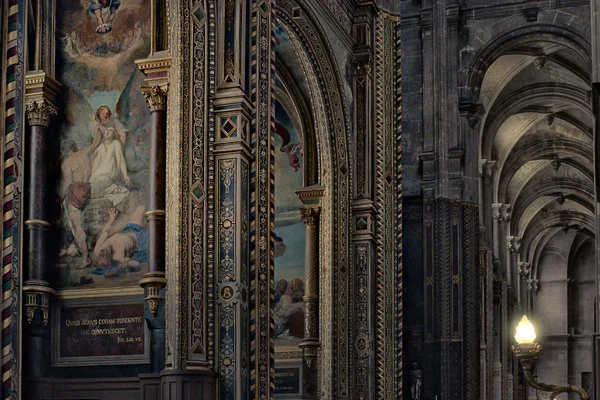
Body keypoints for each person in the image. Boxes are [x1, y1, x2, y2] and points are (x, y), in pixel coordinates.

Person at [60, 131, 102, 269]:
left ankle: (85, 258)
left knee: (77, 227)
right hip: (87, 189)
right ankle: (84, 252)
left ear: (65, 151)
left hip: (75, 191)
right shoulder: (84, 153)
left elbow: (67, 183)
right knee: (80, 225)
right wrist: (98, 130)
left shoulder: (67, 163)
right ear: (74, 147)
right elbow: (96, 143)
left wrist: (61, 198)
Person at [92, 206, 148, 277]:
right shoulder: (118, 256)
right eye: (104, 257)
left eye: (100, 256)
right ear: (109, 262)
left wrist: (112, 218)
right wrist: (126, 265)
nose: (102, 253)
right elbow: (136, 264)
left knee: (141, 208)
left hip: (130, 229)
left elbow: (105, 231)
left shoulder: (98, 249)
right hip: (140, 238)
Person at [89, 127, 130, 207]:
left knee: (94, 187)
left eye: (111, 130)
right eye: (107, 130)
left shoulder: (116, 143)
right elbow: (96, 163)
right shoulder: (101, 146)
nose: (108, 131)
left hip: (109, 173)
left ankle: (113, 188)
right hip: (99, 173)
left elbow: (121, 158)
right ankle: (112, 189)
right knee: (90, 187)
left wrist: (125, 175)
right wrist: (92, 176)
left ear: (114, 135)